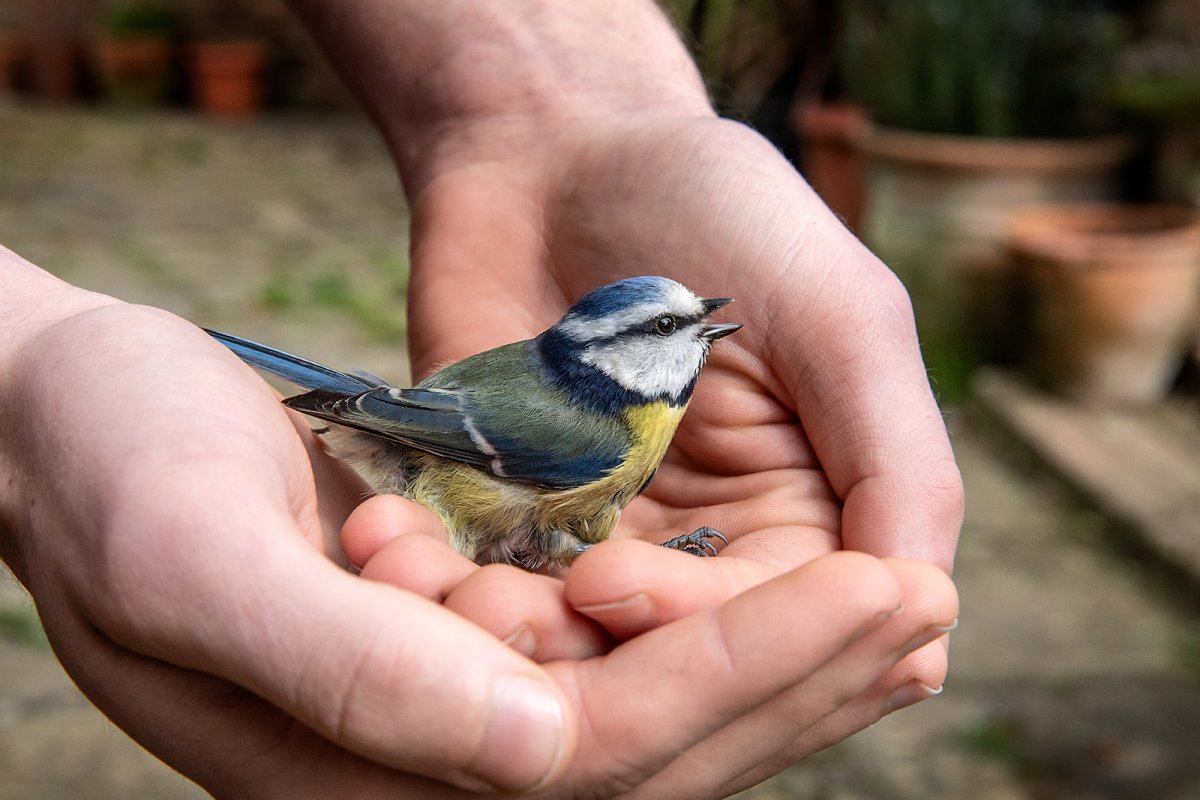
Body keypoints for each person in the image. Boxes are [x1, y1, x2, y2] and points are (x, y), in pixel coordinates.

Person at [0, 1, 962, 797]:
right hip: (436, 457)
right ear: (615, 357)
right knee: (529, 556)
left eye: (689, 318)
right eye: (667, 329)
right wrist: (30, 358)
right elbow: (458, 444)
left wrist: (592, 120)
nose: (698, 325)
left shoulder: (639, 408)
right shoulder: (600, 427)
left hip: (429, 413)